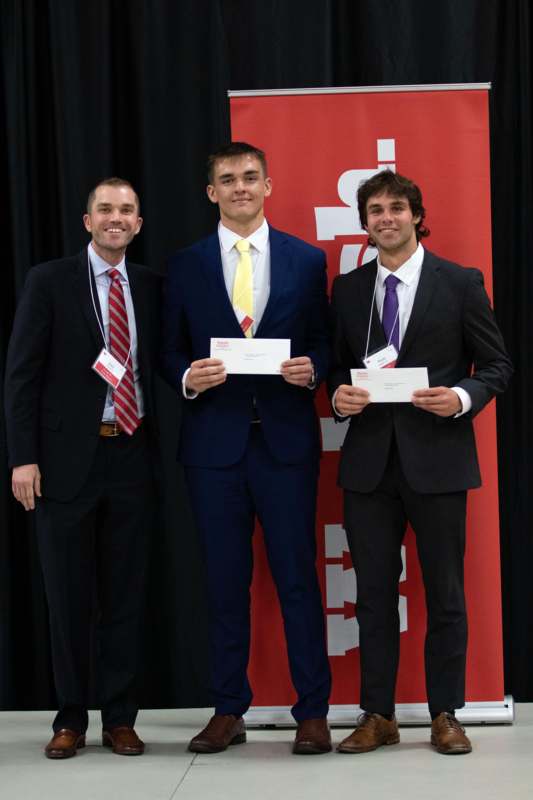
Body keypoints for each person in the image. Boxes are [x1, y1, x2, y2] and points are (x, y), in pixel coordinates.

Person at [328, 169, 512, 756]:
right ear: (364, 222)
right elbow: (336, 367)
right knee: (374, 594)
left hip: (438, 461)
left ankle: (445, 713)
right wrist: (337, 395)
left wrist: (460, 398)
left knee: (445, 593)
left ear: (416, 214)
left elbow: (496, 366)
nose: (386, 217)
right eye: (375, 209)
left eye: (397, 208)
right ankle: (378, 714)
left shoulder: (459, 282)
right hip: (368, 468)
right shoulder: (349, 290)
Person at [161, 142, 332, 755]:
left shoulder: (306, 261)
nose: (239, 187)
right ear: (211, 192)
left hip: (284, 444)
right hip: (213, 448)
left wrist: (313, 368)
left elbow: (323, 343)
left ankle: (313, 711)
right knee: (224, 583)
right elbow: (167, 351)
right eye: (227, 179)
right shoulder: (183, 265)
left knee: (296, 581)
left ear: (268, 185)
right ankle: (228, 708)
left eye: (250, 177)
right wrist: (187, 377)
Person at [4, 178, 160, 758]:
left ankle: (120, 717)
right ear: (87, 221)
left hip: (133, 455)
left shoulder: (149, 285)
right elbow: (22, 375)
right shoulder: (49, 281)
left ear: (138, 224)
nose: (115, 218)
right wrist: (23, 456)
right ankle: (69, 716)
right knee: (67, 595)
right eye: (105, 209)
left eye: (126, 210)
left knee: (125, 596)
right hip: (65, 460)